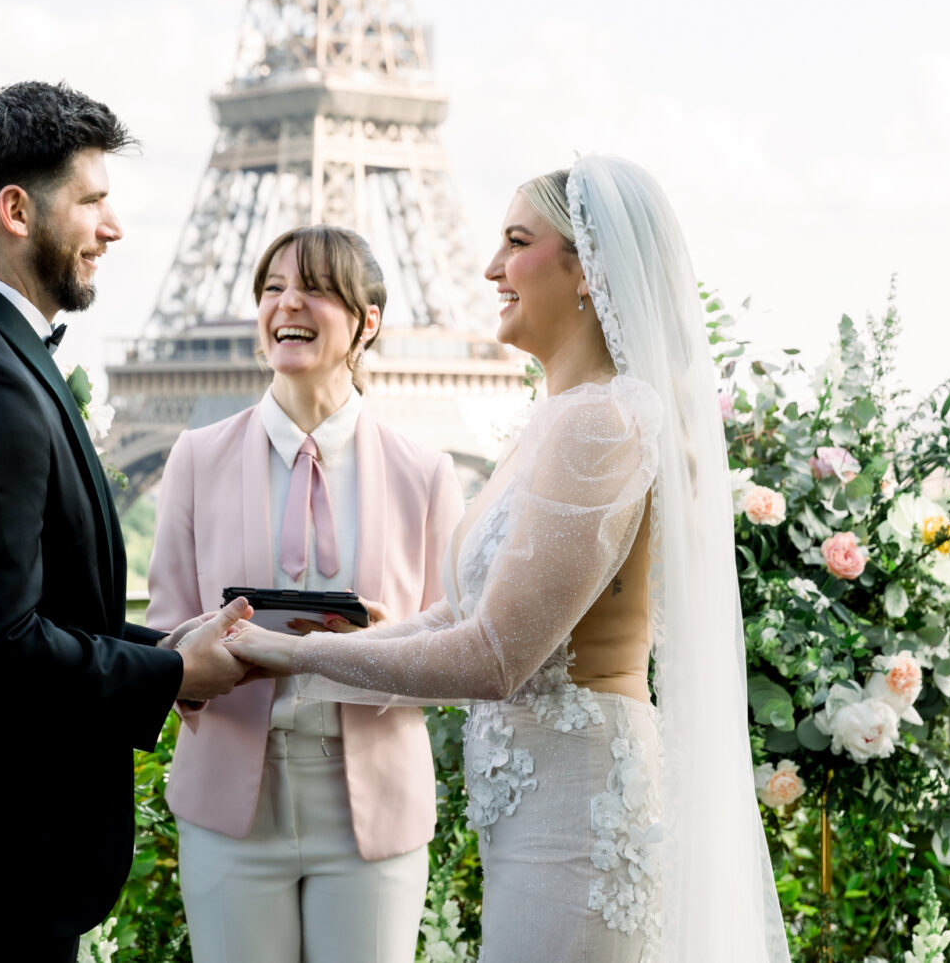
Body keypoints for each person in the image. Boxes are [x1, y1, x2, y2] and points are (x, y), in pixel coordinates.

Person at [223, 157, 791, 962]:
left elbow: (496, 655)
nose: (490, 267)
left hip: (578, 817)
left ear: (588, 270)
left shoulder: (599, 422)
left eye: (517, 242)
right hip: (540, 813)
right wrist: (285, 658)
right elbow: (460, 615)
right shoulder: (556, 419)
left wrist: (289, 652)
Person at [0, 81, 251, 963]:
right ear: (18, 210)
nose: (113, 228)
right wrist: (172, 671)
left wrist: (162, 649)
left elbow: (13, 613)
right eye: (93, 201)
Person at [146, 225, 462, 963]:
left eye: (313, 288)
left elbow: (456, 652)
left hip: (371, 809)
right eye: (271, 288)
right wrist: (203, 656)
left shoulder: (426, 472)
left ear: (367, 320)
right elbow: (162, 630)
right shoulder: (195, 458)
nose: (287, 303)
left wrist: (388, 645)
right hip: (231, 800)